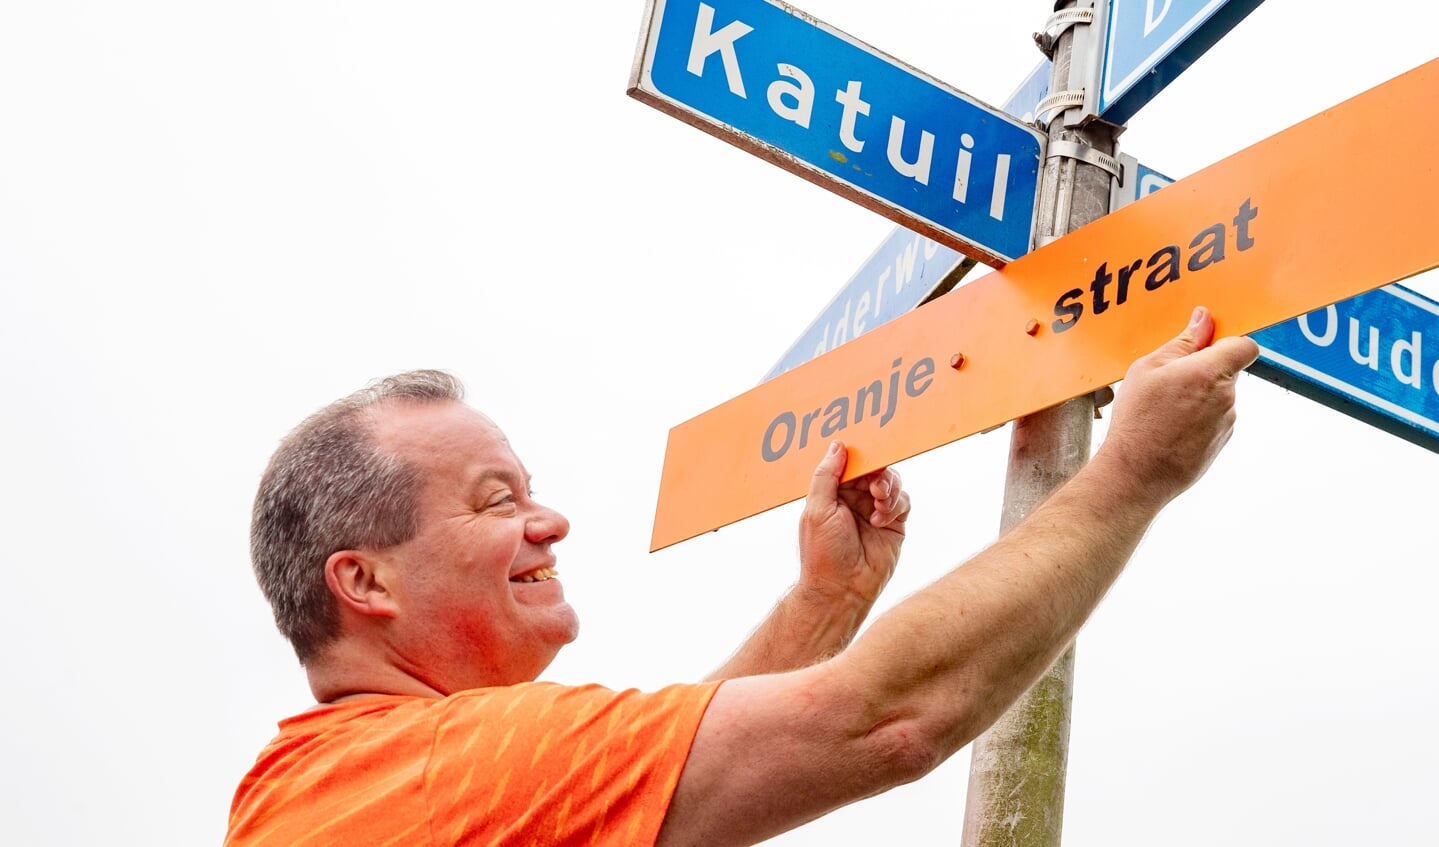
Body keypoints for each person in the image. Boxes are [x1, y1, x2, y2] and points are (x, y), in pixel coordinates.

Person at [226, 306, 1259, 846]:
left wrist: (825, 603)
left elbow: (669, 787)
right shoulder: (429, 771)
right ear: (366, 582)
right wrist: (1131, 471)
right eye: (496, 501)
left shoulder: (346, 789)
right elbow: (889, 717)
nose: (551, 520)